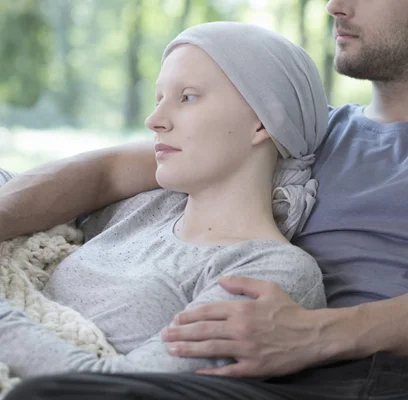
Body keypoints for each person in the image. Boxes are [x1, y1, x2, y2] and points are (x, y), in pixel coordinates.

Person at [3, 0, 408, 399]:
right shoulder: (308, 133)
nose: (337, 4)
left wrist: (317, 333)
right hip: (281, 382)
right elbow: (109, 171)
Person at [0, 21, 329, 378]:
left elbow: (117, 388)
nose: (154, 120)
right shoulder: (146, 207)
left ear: (264, 122)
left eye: (187, 97)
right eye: (159, 99)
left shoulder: (270, 271)